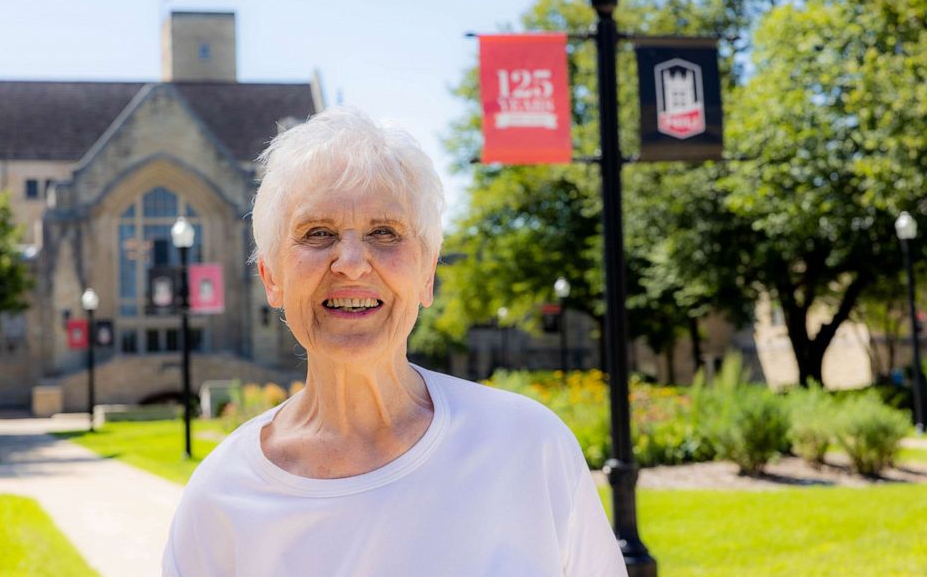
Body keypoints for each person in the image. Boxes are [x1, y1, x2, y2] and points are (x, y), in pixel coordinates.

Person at [162, 107, 626, 576]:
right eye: (317, 233)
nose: (352, 262)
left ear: (427, 274)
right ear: (271, 278)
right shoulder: (221, 497)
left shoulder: (528, 446)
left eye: (384, 232)